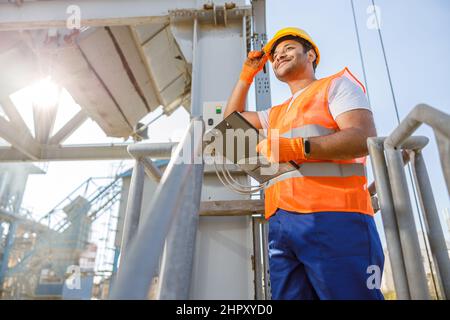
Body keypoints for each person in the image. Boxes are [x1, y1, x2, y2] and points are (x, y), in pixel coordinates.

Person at [224, 27, 384, 300]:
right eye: (274, 54)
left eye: (287, 48)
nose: (278, 56)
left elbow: (363, 137)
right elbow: (230, 122)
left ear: (310, 55)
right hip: (281, 226)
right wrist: (246, 76)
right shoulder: (275, 113)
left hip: (336, 217)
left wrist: (295, 147)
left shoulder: (335, 86)